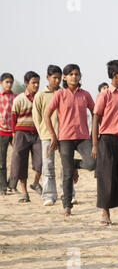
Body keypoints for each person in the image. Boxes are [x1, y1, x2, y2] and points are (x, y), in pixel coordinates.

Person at [45, 64, 96, 216]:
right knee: (67, 174)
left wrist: (94, 133)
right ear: (65, 78)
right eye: (70, 74)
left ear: (80, 76)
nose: (74, 77)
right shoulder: (59, 94)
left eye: (77, 74)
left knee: (92, 163)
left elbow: (95, 113)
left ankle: (74, 164)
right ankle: (67, 206)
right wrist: (53, 136)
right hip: (65, 138)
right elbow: (47, 115)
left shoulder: (85, 94)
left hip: (83, 137)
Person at [92, 60, 118, 226]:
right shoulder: (105, 95)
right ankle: (105, 213)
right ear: (115, 76)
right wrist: (95, 145)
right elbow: (95, 120)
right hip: (107, 141)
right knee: (106, 177)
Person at [32, 65, 77, 206]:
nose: (57, 81)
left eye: (59, 78)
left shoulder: (65, 93)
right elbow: (37, 117)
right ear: (47, 78)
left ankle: (68, 194)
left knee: (66, 167)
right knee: (48, 166)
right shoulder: (40, 95)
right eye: (54, 78)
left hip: (64, 136)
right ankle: (49, 195)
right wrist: (44, 134)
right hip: (47, 137)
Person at [9, 71, 42, 203]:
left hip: (37, 133)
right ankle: (24, 193)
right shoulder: (19, 99)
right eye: (33, 83)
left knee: (41, 160)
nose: (36, 85)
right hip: (21, 133)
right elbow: (13, 117)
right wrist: (13, 135)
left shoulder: (40, 97)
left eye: (38, 83)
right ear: (26, 84)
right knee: (20, 162)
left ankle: (35, 182)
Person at [0, 73, 17, 195]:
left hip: (15, 132)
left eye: (11, 82)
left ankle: (12, 184)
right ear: (1, 83)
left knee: (17, 159)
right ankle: (2, 187)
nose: (9, 84)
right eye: (7, 82)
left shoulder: (16, 97)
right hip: (1, 131)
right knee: (2, 161)